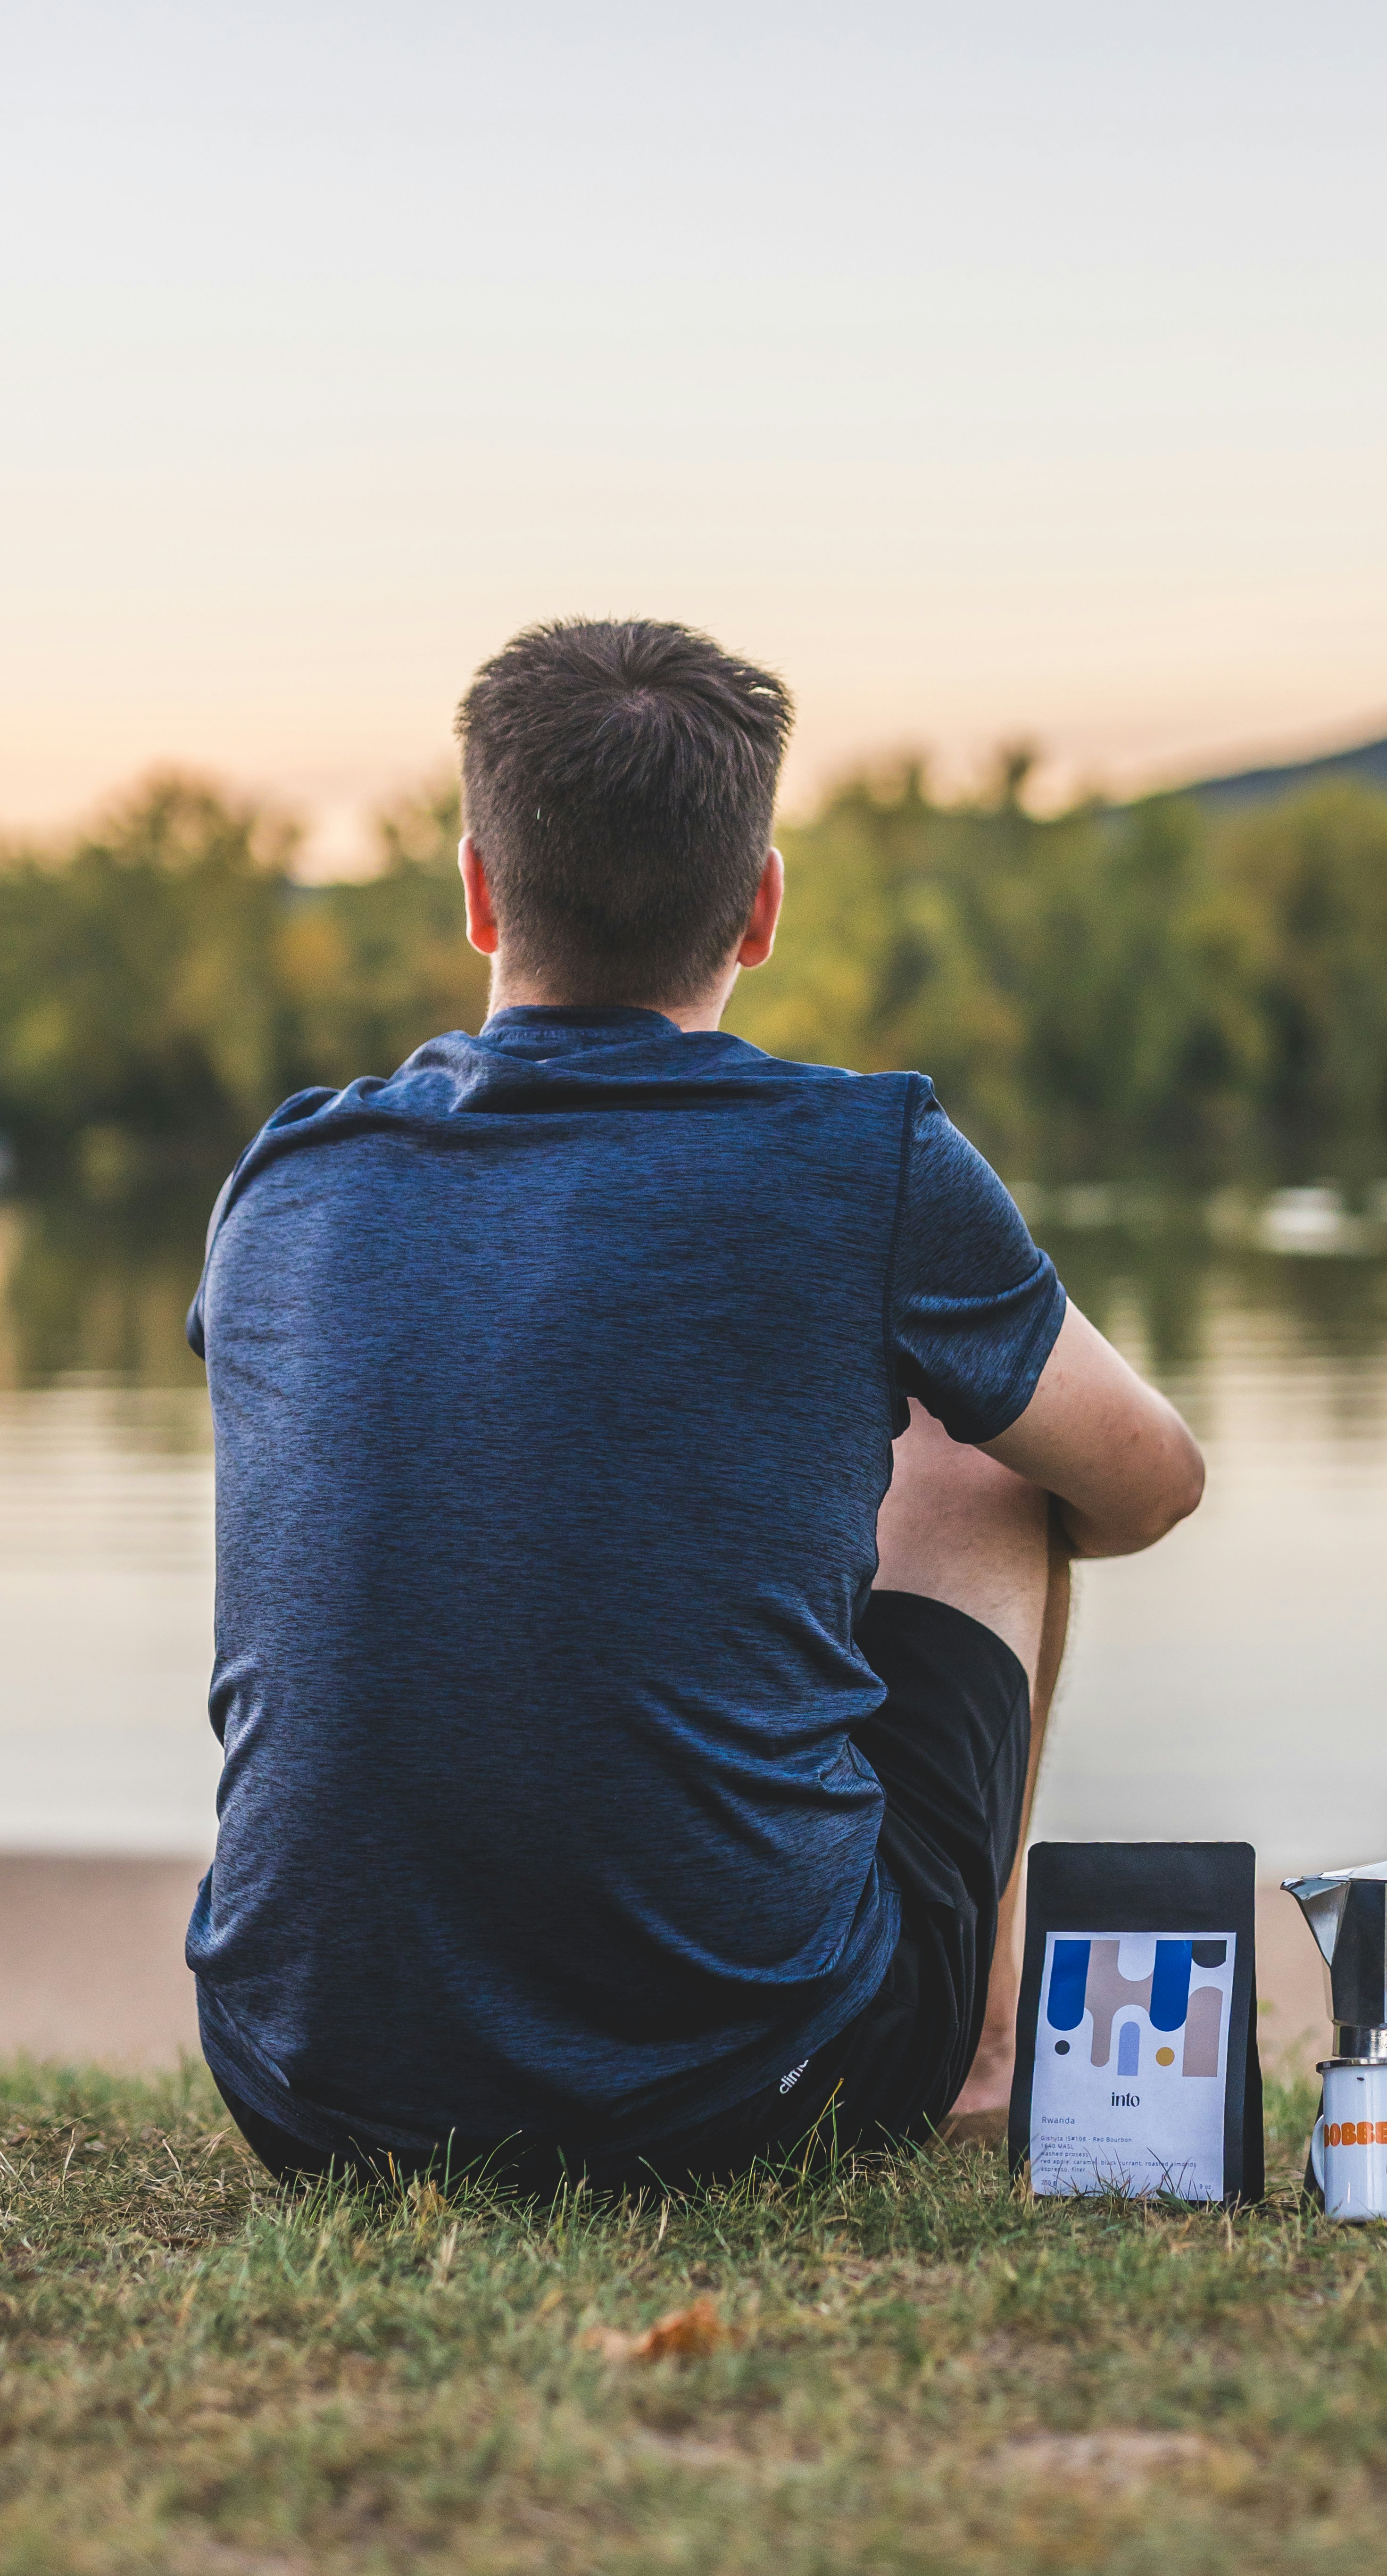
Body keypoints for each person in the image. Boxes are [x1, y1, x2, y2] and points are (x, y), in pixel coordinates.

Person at [185, 619, 1204, 2194]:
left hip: (308, 2093)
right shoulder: (866, 1160)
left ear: (476, 891)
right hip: (749, 2091)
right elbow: (1149, 1482)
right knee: (994, 1455)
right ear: (763, 907)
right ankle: (988, 2048)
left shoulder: (287, 1182)